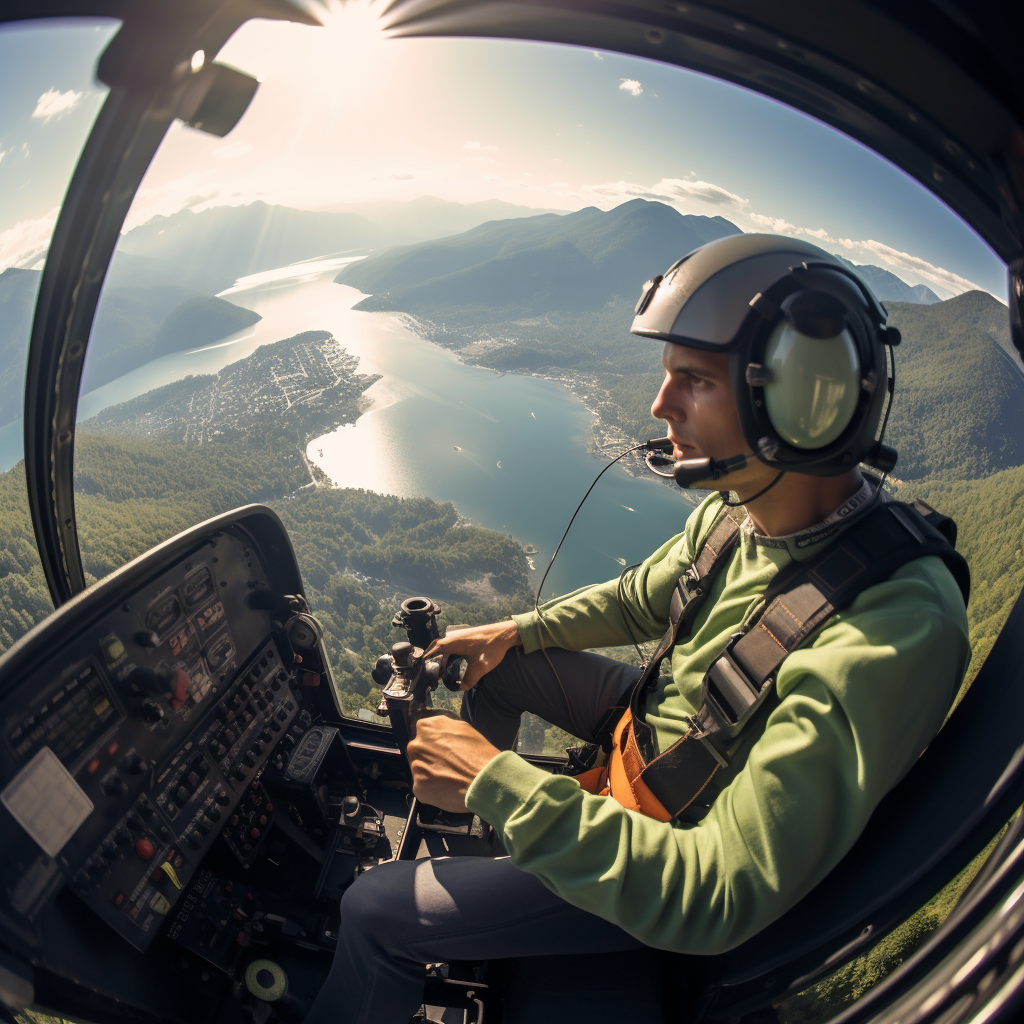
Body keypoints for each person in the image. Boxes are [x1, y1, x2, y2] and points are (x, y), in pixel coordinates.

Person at [303, 234, 970, 1024]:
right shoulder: (740, 512)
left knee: (375, 912)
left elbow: (719, 891)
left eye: (692, 381)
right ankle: (479, 843)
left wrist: (501, 782)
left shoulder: (895, 626)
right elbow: (635, 600)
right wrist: (512, 629)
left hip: (668, 863)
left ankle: (502, 860)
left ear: (797, 402)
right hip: (659, 745)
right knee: (503, 665)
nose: (659, 407)